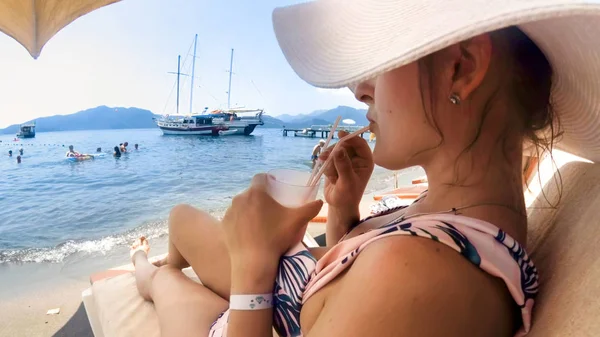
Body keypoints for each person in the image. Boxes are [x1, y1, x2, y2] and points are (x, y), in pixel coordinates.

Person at [127, 1, 596, 336]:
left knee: (167, 278)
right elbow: (350, 287)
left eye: (379, 61)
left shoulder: (418, 276)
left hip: (258, 312)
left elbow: (380, 284)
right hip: (295, 293)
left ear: (461, 69)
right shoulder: (466, 210)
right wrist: (344, 210)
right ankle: (153, 270)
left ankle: (147, 274)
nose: (358, 89)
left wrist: (252, 264)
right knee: (182, 219)